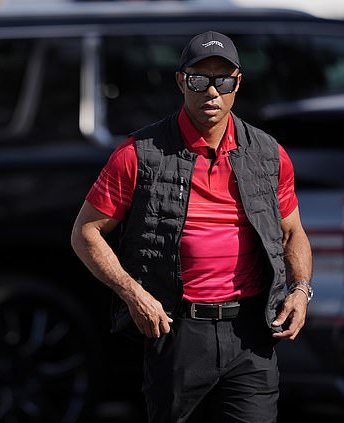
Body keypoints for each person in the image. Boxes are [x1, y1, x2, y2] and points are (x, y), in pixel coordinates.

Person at [70, 31, 313, 423]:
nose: (212, 91)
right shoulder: (139, 153)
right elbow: (85, 233)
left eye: (224, 80)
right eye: (200, 79)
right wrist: (135, 295)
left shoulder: (268, 153)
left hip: (251, 334)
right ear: (182, 81)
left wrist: (301, 289)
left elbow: (291, 232)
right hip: (178, 331)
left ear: (238, 83)